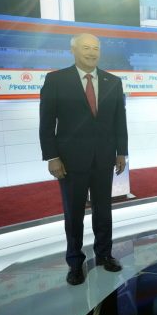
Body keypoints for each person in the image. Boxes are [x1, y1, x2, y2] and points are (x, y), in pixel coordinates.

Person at [39, 33, 128, 286]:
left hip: (104, 158)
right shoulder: (56, 80)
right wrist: (52, 157)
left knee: (104, 211)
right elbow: (47, 123)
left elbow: (118, 121)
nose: (92, 52)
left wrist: (121, 152)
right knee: (74, 213)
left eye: (96, 48)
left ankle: (104, 255)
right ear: (74, 50)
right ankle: (75, 263)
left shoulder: (113, 80)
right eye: (86, 48)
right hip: (70, 160)